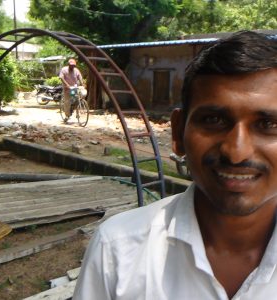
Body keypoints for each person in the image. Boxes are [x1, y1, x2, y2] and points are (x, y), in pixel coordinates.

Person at [73, 31, 277, 299]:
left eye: (269, 125)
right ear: (178, 132)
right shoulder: (118, 250)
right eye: (214, 120)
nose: (237, 153)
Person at [59, 58, 84, 122]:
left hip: (74, 88)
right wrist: (67, 85)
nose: (72, 66)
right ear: (68, 65)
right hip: (67, 89)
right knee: (67, 102)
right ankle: (67, 115)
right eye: (71, 65)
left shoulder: (76, 70)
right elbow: (61, 77)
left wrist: (82, 84)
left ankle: (73, 109)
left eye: (73, 65)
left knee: (77, 99)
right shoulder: (64, 69)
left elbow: (80, 78)